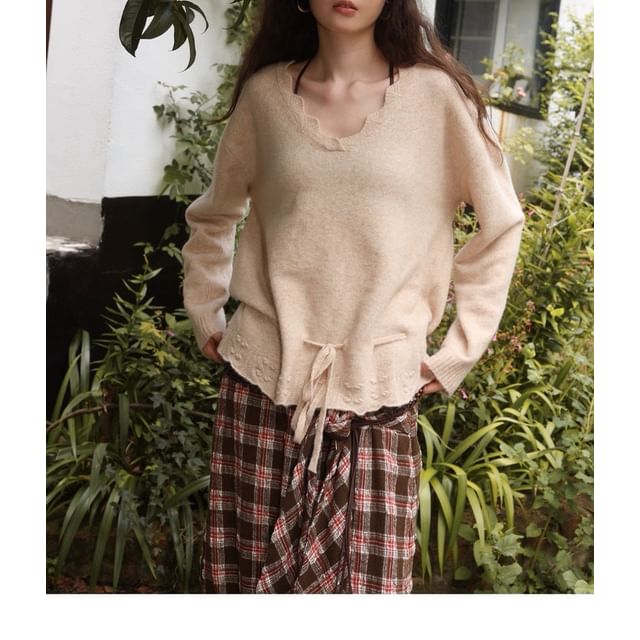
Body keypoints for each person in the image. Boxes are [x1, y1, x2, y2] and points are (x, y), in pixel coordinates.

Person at [180, 0, 525, 594]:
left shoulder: (438, 99)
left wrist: (459, 351)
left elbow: (501, 225)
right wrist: (204, 310)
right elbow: (215, 214)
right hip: (261, 391)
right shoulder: (266, 97)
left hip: (379, 399)